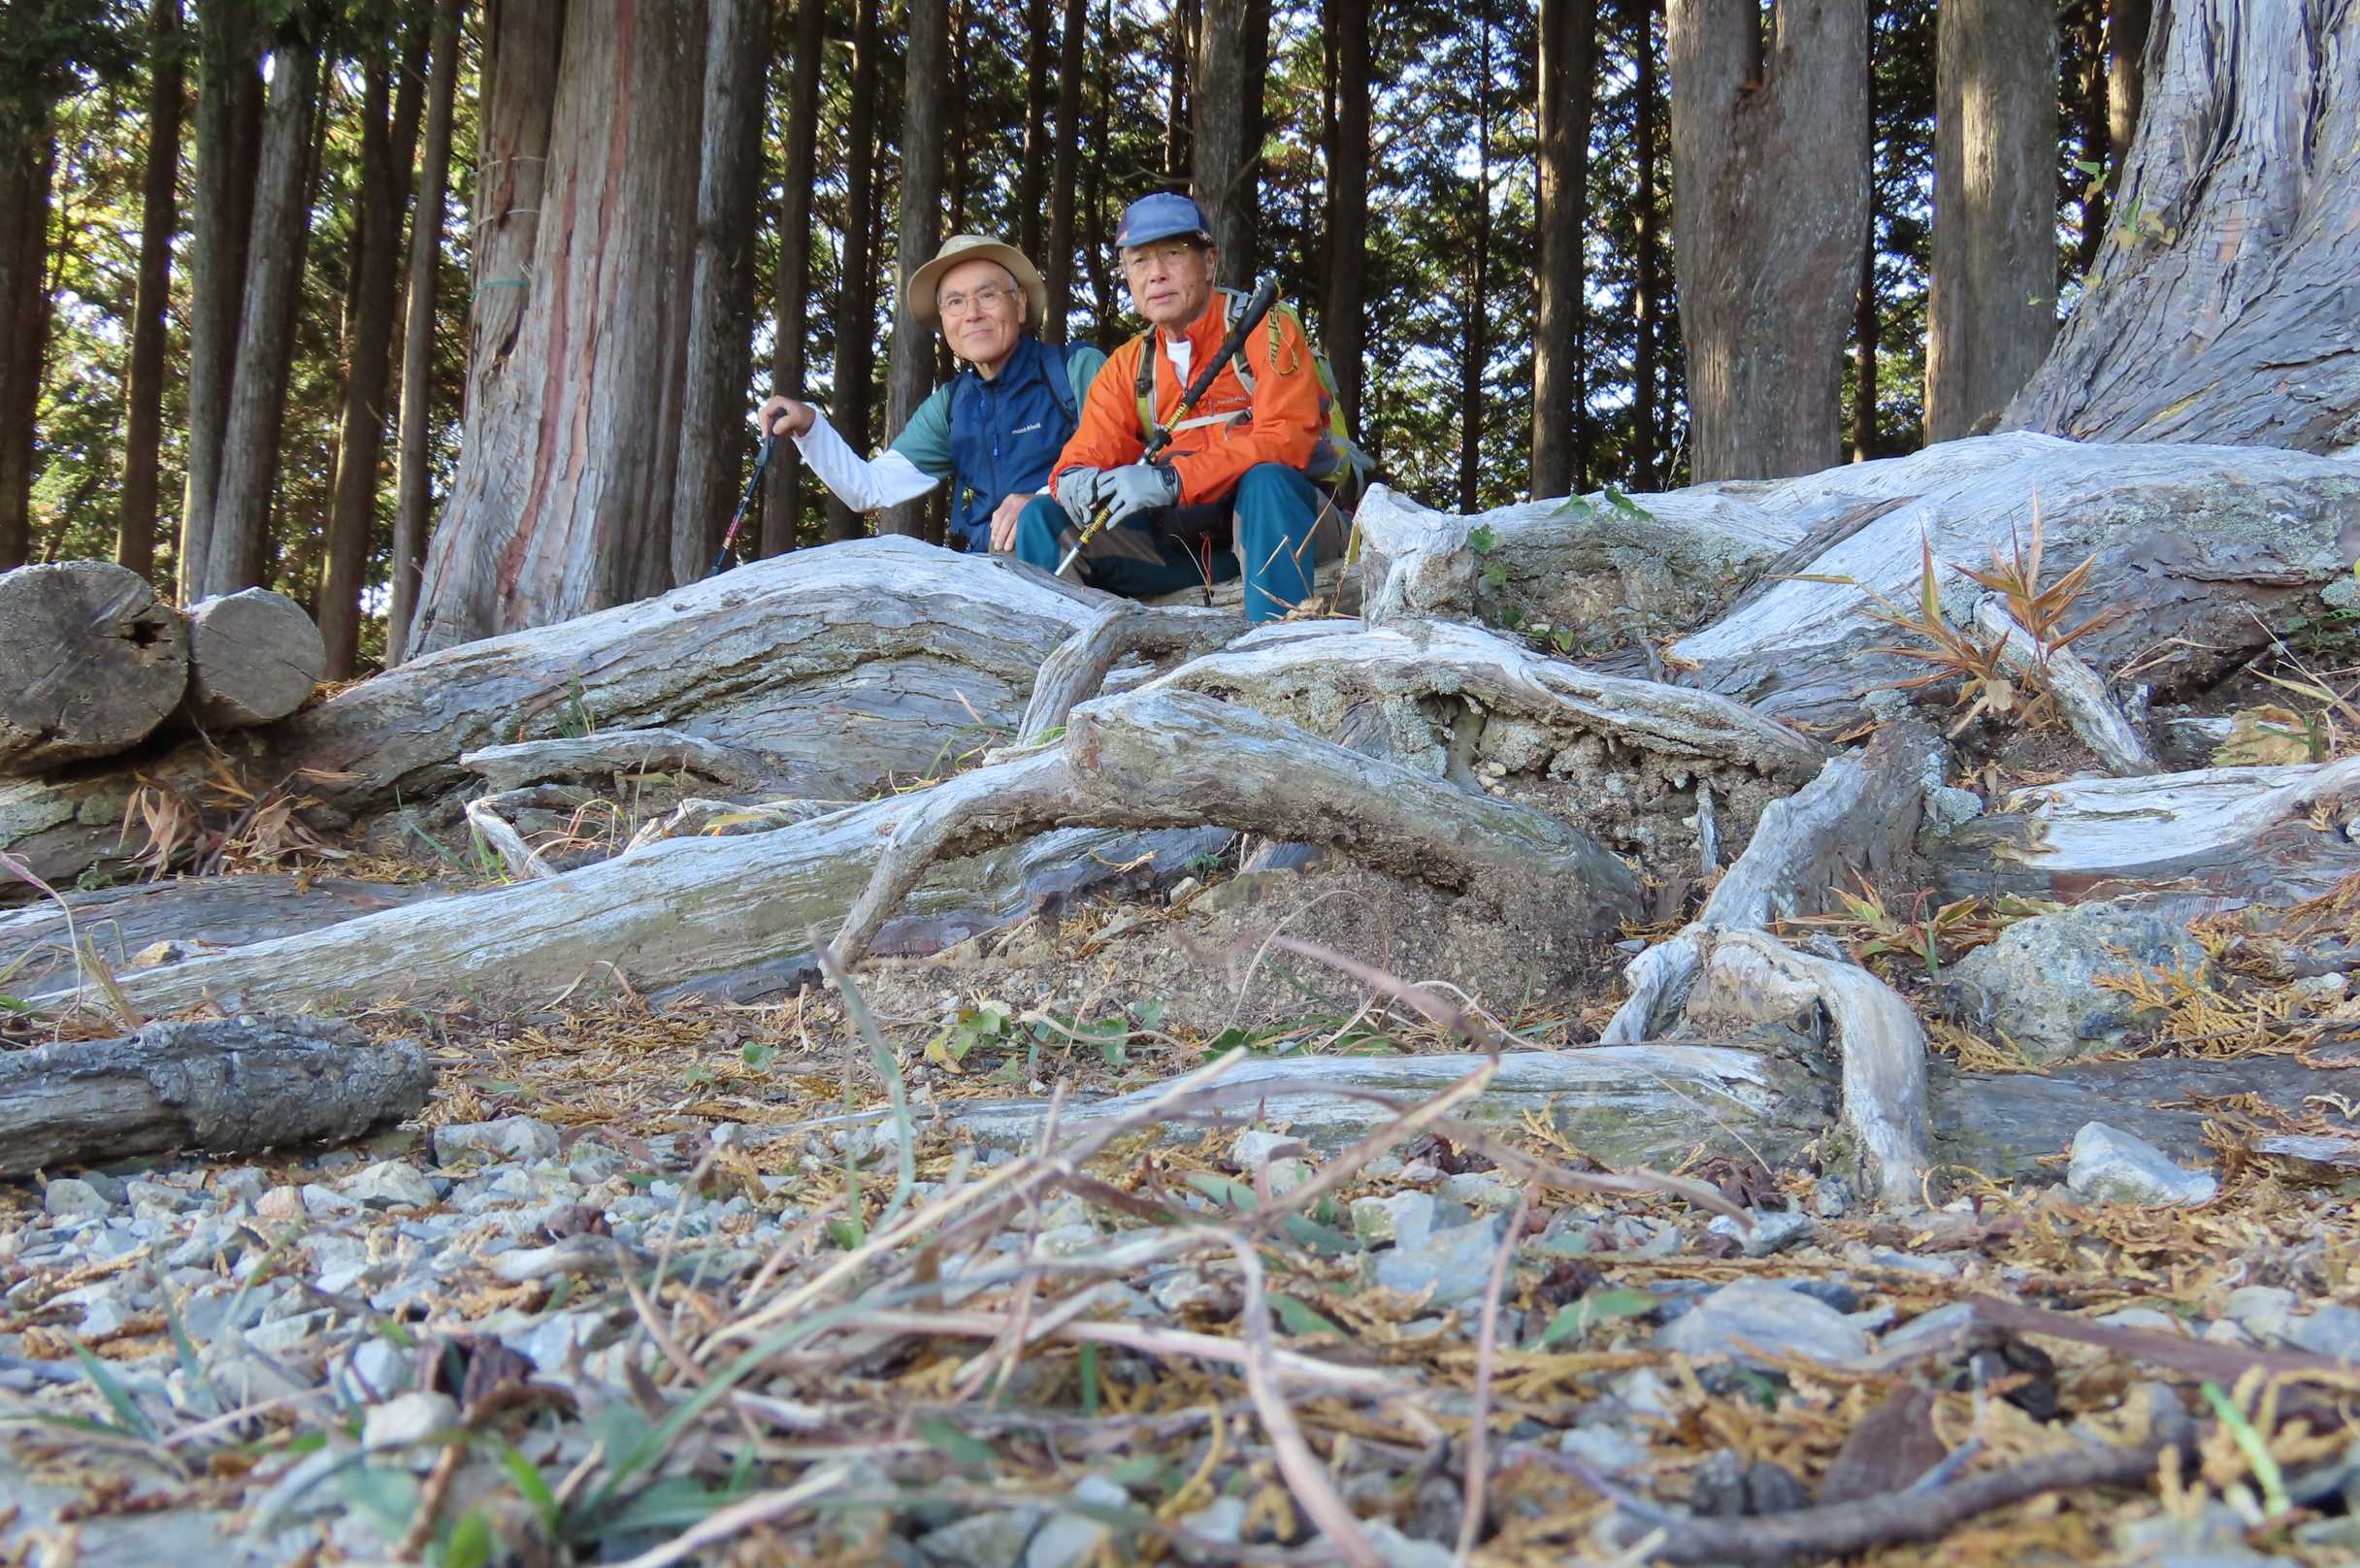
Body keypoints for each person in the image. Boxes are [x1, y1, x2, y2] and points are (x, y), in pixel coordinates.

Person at [1017, 193, 1340, 623]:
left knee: (1267, 482)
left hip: (1290, 529)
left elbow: (1287, 440)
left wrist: (1174, 480)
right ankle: (1059, 655)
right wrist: (1075, 480)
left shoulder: (1266, 325)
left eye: (1172, 253)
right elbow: (1087, 451)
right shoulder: (1129, 364)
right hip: (1187, 548)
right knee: (1042, 519)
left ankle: (1277, 650)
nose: (1156, 274)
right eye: (1139, 261)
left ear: (1210, 263)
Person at [754, 235, 1104, 553]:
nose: (972, 314)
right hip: (991, 577)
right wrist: (810, 427)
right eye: (955, 302)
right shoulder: (952, 406)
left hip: (1082, 563)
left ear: (1021, 304)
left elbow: (1124, 461)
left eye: (987, 295)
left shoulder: (1074, 370)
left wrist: (1043, 503)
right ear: (944, 321)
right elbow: (870, 488)